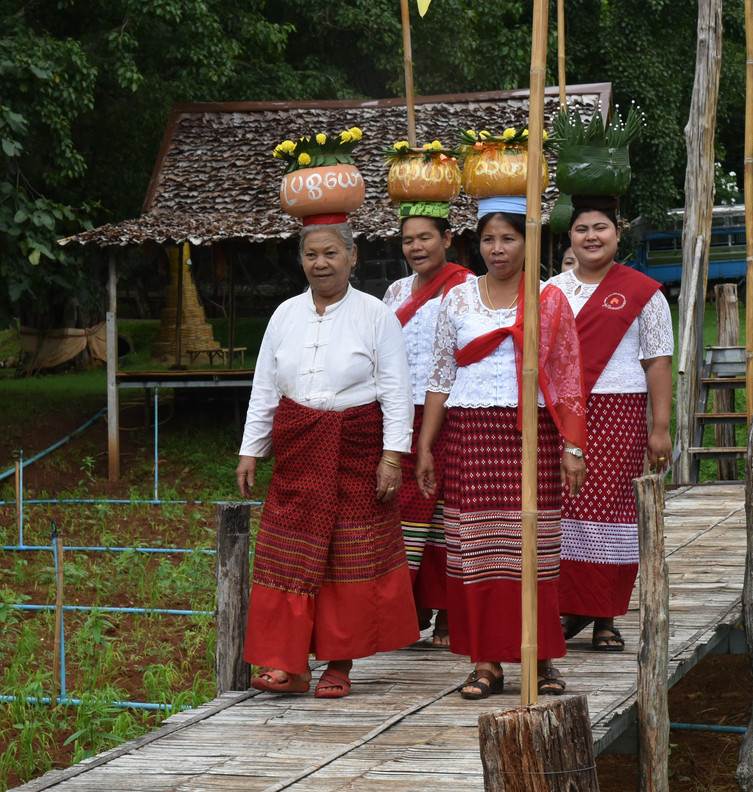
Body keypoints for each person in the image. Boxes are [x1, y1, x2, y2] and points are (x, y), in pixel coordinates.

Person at [235, 221, 418, 697]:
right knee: (287, 553)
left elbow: (399, 393)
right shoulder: (284, 315)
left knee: (347, 557)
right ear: (302, 260)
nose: (321, 263)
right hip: (298, 448)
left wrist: (392, 458)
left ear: (352, 257)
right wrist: (251, 450)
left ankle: (340, 663)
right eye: (312, 254)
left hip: (357, 448)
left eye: (331, 253)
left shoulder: (377, 316)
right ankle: (289, 665)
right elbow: (265, 388)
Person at [414, 200, 587, 699]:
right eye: (489, 239)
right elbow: (441, 375)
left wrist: (572, 447)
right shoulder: (459, 300)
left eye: (508, 239)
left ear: (528, 243)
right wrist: (426, 445)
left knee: (533, 548)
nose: (497, 249)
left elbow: (568, 377)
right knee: (479, 551)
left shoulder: (549, 300)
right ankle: (485, 662)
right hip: (471, 434)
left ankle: (543, 658)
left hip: (531, 435)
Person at [549, 198, 673, 652]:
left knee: (612, 513)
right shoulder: (552, 290)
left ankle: (604, 615)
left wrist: (660, 427)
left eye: (600, 228)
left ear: (618, 234)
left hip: (620, 413)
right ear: (570, 239)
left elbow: (658, 361)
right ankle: (565, 605)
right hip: (563, 416)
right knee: (563, 510)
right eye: (582, 229)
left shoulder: (645, 292)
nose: (591, 237)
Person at [382, 205, 472, 648]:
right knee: (405, 513)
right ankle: (410, 605)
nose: (416, 247)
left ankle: (450, 609)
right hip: (400, 415)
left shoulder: (468, 289)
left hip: (452, 413)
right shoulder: (395, 291)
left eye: (425, 237)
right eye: (407, 240)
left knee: (445, 512)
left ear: (448, 238)